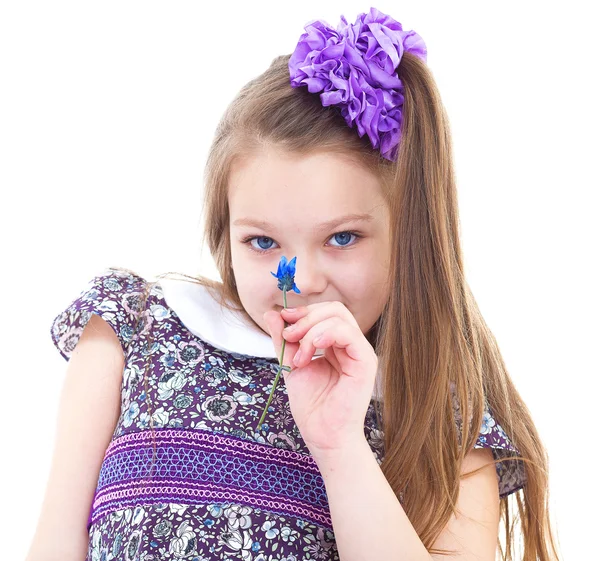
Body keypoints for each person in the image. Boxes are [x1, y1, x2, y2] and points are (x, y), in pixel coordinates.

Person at [26, 7, 561, 561]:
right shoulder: (132, 330)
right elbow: (53, 544)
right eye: (262, 243)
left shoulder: (443, 427)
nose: (298, 280)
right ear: (224, 233)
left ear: (410, 237)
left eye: (343, 238)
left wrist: (340, 448)